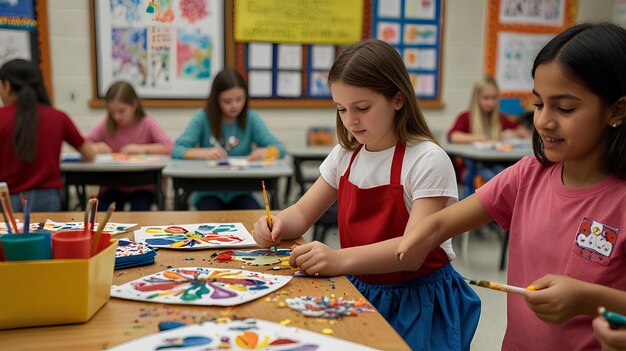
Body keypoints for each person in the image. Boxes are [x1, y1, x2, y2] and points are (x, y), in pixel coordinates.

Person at [397, 22, 626, 350]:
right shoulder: (528, 174)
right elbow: (440, 223)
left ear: (616, 109)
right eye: (538, 104)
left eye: (565, 108)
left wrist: (588, 298)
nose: (544, 121)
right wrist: (415, 241)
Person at [251, 39, 480, 351]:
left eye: (362, 108)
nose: (350, 120)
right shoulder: (346, 155)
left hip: (418, 302)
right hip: (361, 290)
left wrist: (338, 259)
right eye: (341, 109)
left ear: (398, 99)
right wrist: (275, 224)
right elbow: (303, 213)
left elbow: (410, 253)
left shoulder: (427, 160)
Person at [172, 69, 286, 210]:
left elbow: (280, 148)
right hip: (208, 191)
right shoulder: (202, 117)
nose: (235, 106)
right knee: (210, 219)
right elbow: (177, 149)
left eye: (239, 99)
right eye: (227, 101)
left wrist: (267, 152)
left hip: (242, 190)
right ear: (216, 99)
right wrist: (204, 153)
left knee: (255, 218)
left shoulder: (251, 118)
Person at [0, 59, 96, 212]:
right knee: (45, 236)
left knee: (9, 237)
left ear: (7, 86)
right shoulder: (58, 117)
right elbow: (90, 154)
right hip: (48, 200)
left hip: (7, 201)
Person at [86, 81, 173, 211]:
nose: (116, 116)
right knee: (103, 212)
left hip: (143, 186)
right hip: (113, 185)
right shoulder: (107, 124)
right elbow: (83, 143)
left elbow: (169, 147)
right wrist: (94, 146)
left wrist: (143, 148)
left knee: (139, 210)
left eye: (121, 111)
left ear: (134, 105)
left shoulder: (147, 123)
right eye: (112, 112)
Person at [448, 76, 531, 188]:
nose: (490, 103)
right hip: (471, 168)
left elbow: (523, 131)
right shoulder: (465, 117)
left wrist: (513, 133)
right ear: (476, 97)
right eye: (486, 98)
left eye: (494, 98)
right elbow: (453, 136)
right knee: (493, 178)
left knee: (505, 174)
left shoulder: (501, 118)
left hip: (495, 163)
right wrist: (478, 137)